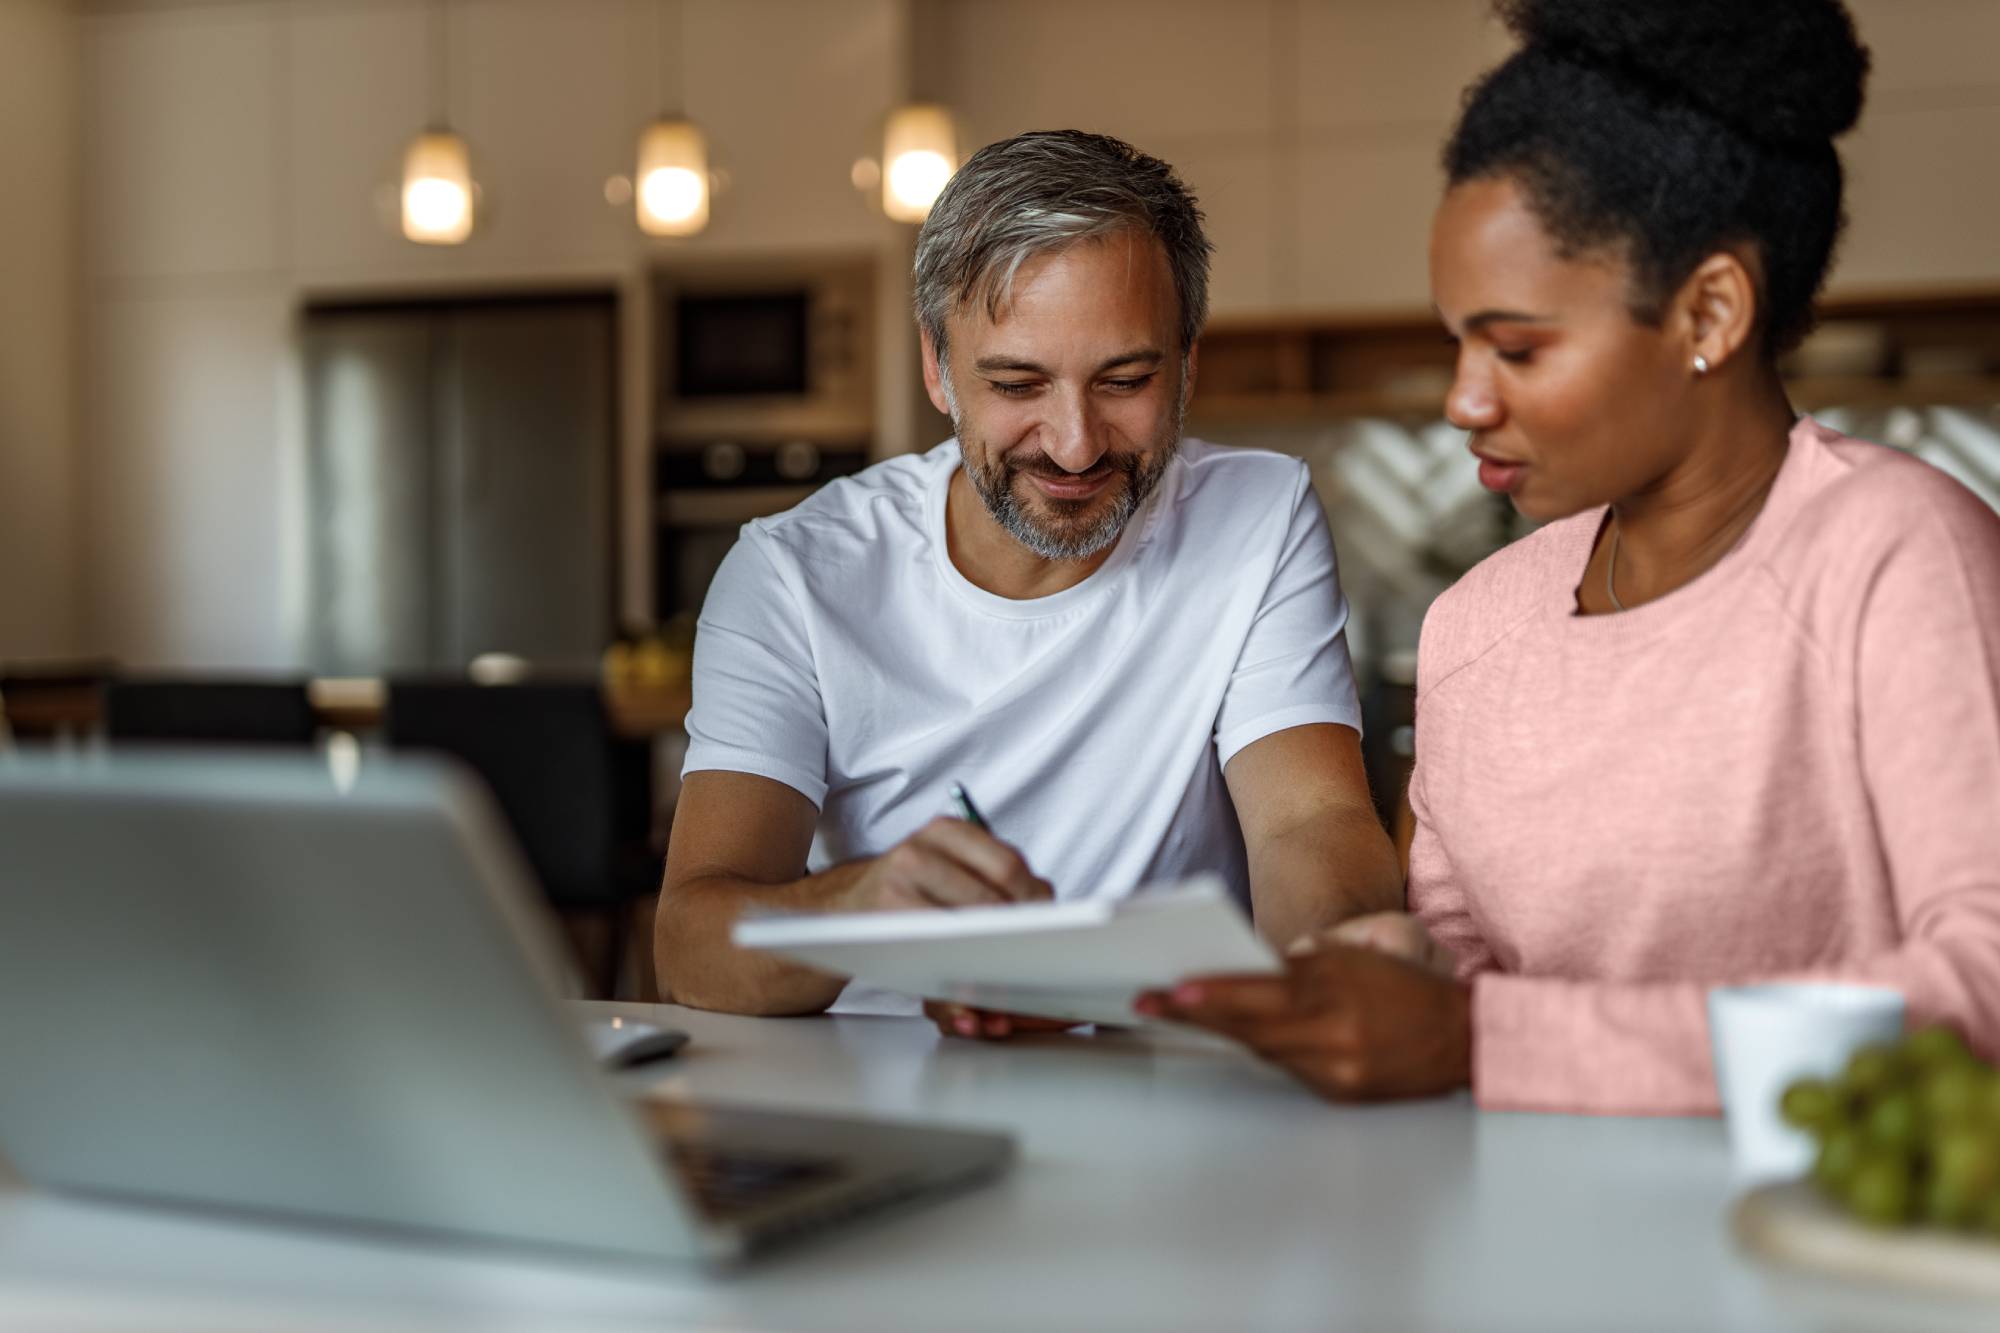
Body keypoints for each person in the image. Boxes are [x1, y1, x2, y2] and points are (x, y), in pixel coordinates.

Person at [1140, 0, 2000, 1112]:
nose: (1461, 398)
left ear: (1708, 312)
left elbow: (1978, 989)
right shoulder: (1475, 624)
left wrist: (1482, 1040)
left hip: (1811, 1252)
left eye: (1516, 346)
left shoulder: (1894, 555)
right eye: (1454, 342)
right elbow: (1448, 973)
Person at [656, 130, 1402, 1031]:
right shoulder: (792, 574)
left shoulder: (1259, 516)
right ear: (937, 367)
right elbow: (689, 945)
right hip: (883, 1078)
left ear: (1189, 365)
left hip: (1170, 1060)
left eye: (1125, 379)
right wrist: (861, 909)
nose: (1075, 442)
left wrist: (1323, 978)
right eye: (1017, 385)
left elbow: (1309, 825)